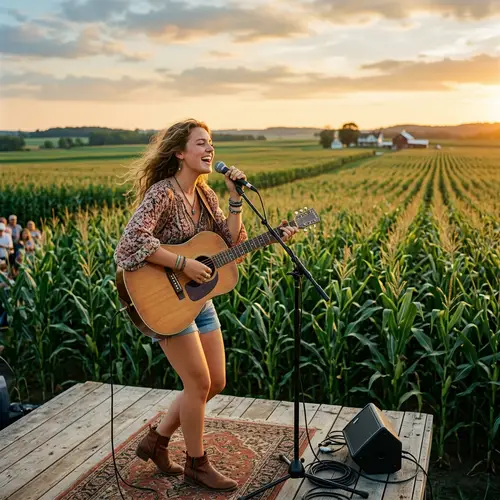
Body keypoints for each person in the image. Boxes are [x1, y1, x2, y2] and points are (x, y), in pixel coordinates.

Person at [114, 119, 298, 492]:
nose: (209, 149)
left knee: (215, 381)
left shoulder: (208, 196)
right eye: (201, 143)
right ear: (180, 152)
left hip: (198, 300)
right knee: (197, 382)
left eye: (211, 143)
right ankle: (197, 465)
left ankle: (157, 440)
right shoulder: (162, 194)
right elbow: (130, 242)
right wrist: (183, 263)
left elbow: (231, 246)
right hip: (163, 300)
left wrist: (234, 199)